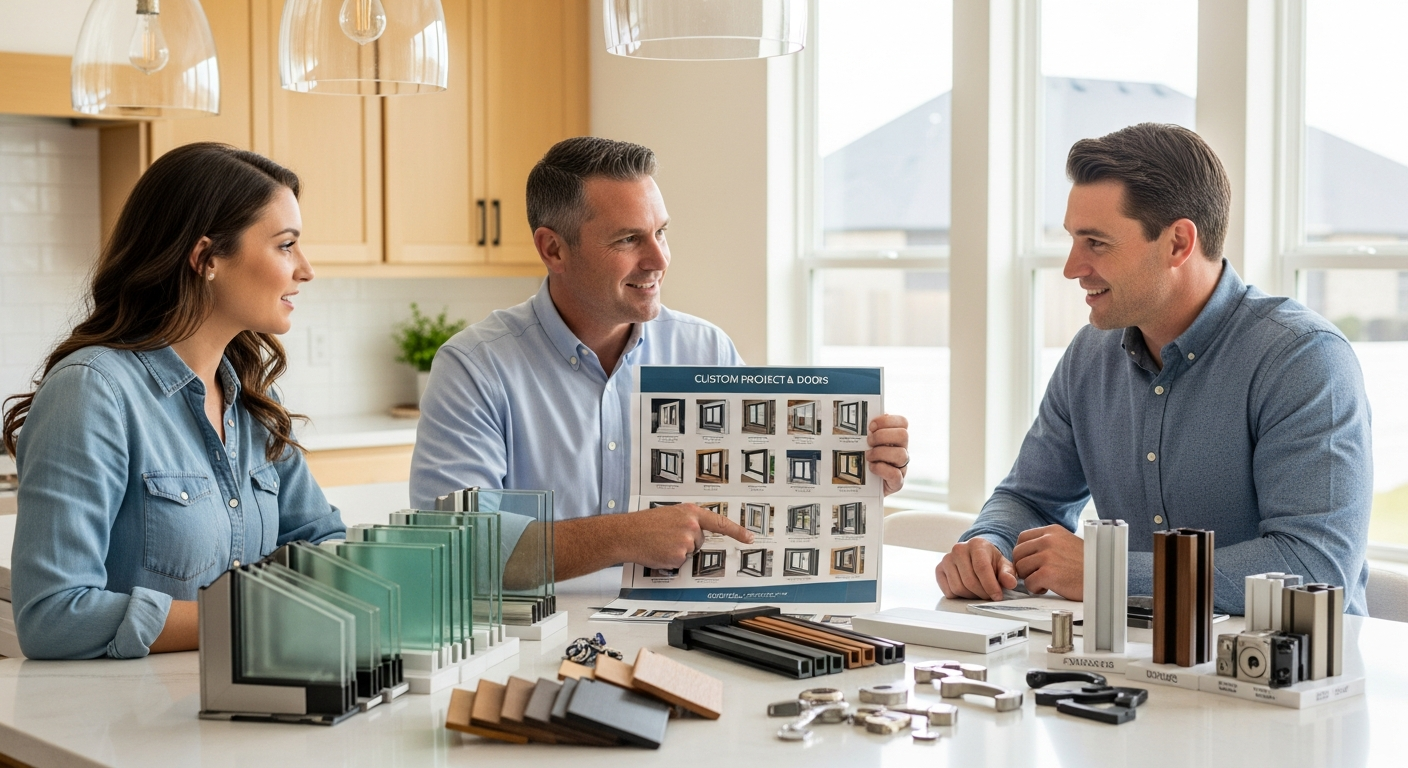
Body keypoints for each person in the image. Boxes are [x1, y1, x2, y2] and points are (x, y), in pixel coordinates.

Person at [412, 137, 911, 580]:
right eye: (628, 239)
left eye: (661, 232)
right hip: (537, 643)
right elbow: (458, 548)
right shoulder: (475, 368)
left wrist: (856, 478)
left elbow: (762, 501)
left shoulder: (707, 350)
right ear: (553, 249)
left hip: (687, 633)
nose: (658, 259)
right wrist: (624, 535)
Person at [937, 123, 1371, 615]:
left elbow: (1315, 566)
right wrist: (988, 543)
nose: (1072, 267)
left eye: (1096, 243)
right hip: (1137, 665)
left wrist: (1108, 571)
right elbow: (1030, 499)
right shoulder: (1090, 354)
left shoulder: (1303, 359)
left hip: (1293, 676)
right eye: (1073, 240)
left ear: (1178, 244)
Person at [2, 143, 345, 660]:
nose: (306, 269)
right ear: (206, 258)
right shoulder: (93, 391)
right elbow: (52, 616)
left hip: (239, 705)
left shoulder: (253, 398)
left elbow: (322, 539)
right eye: (285, 245)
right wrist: (256, 612)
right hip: (122, 727)